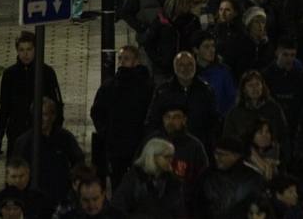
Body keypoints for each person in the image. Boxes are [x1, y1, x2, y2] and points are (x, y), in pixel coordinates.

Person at [91, 44, 156, 187]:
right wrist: (106, 132)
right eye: (120, 58)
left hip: (138, 144)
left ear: (136, 61)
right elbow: (97, 111)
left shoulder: (145, 86)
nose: (121, 62)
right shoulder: (110, 85)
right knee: (118, 183)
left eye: (126, 58)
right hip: (117, 146)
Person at [0, 31, 63, 155]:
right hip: (17, 131)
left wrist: (55, 131)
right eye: (21, 50)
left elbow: (57, 104)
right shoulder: (10, 74)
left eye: (29, 49)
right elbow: (4, 107)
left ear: (35, 49)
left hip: (40, 130)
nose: (25, 54)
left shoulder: (46, 72)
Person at [13, 96, 85, 207]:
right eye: (37, 114)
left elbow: (78, 162)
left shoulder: (64, 138)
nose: (40, 118)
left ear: (53, 116)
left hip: (59, 196)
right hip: (34, 200)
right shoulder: (24, 142)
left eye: (44, 114)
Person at [112, 138, 186, 217]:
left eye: (172, 156)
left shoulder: (172, 181)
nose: (171, 160)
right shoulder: (134, 178)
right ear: (152, 156)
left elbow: (179, 210)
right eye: (166, 157)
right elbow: (118, 206)